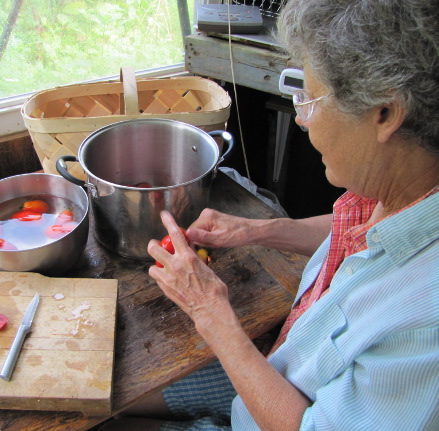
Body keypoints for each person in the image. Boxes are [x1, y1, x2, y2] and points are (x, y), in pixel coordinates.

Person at [99, 0, 439, 429]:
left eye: (311, 98)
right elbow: (357, 236)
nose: (301, 119)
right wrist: (256, 229)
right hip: (281, 368)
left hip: (283, 413)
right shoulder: (402, 189)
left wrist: (210, 312)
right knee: (109, 403)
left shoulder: (425, 327)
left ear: (385, 113)